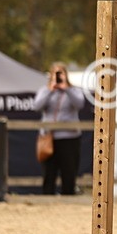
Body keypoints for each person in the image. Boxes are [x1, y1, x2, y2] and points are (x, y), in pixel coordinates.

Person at [32, 62, 86, 195]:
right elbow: (36, 106)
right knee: (49, 173)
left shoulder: (74, 90)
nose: (58, 76)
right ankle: (47, 199)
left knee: (69, 172)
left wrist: (66, 88)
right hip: (49, 138)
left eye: (60, 73)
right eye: (55, 73)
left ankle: (68, 198)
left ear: (66, 75)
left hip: (69, 138)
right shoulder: (45, 90)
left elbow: (80, 104)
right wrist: (51, 90)